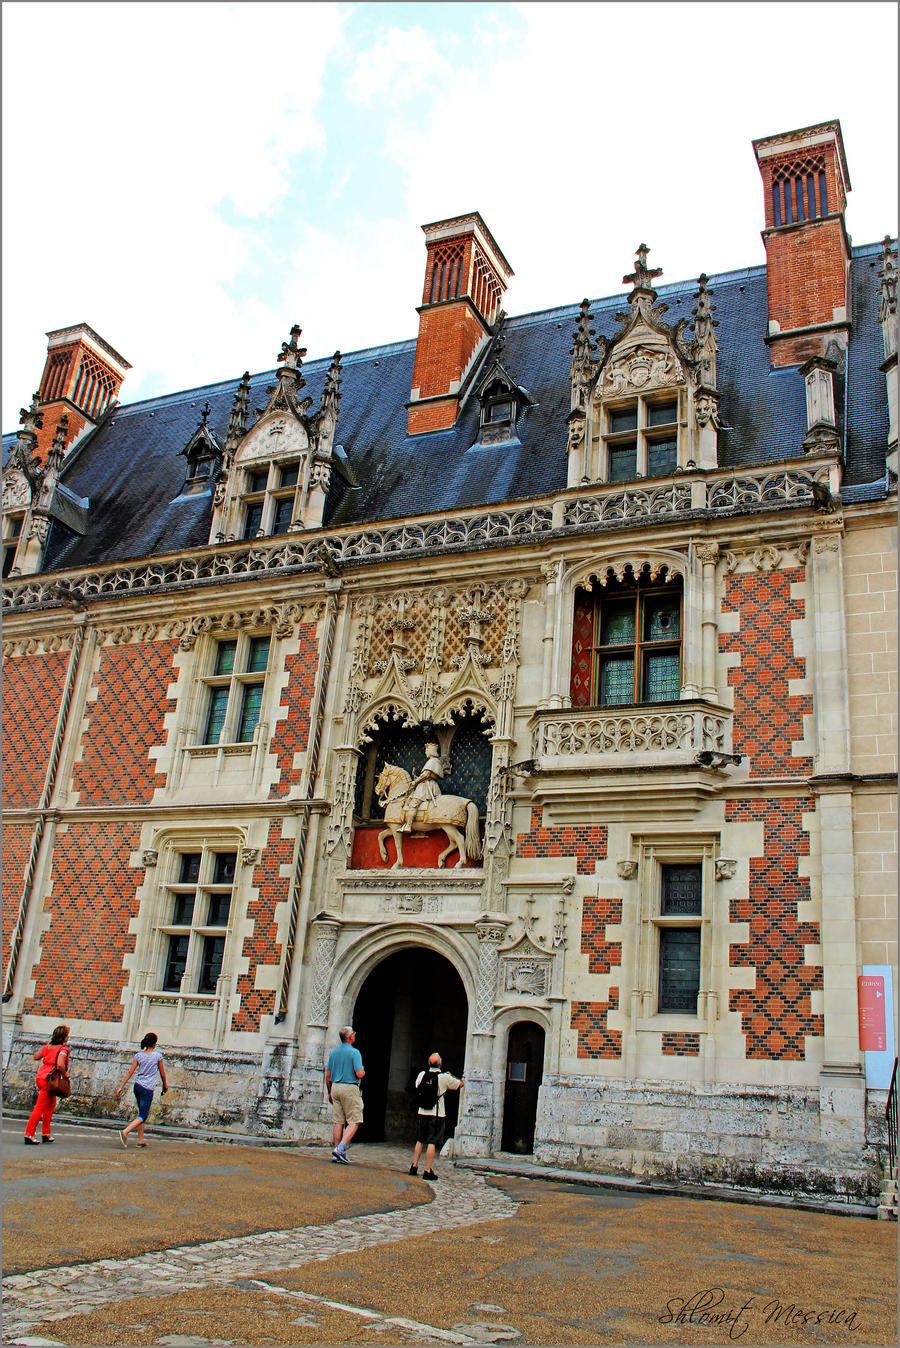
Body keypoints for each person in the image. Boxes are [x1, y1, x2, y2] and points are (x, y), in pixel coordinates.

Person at [409, 1052, 463, 1181]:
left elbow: (417, 1086)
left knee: (419, 1140)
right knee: (432, 1142)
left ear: (429, 1064)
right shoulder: (444, 1077)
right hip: (437, 1113)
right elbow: (460, 1084)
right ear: (440, 1064)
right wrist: (451, 1075)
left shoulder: (422, 1075)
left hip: (422, 1112)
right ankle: (427, 1170)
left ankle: (414, 1166)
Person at [116, 1032, 168, 1147]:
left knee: (141, 1113)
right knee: (143, 1115)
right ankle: (125, 1132)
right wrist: (165, 1085)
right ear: (154, 1044)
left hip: (138, 1085)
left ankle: (140, 1140)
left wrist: (121, 1087)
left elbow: (130, 1072)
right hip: (147, 1088)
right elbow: (162, 1074)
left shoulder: (139, 1055)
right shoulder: (157, 1056)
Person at [24, 1024, 70, 1144]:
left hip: (41, 1076)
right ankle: (29, 1134)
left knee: (50, 1105)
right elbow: (60, 1064)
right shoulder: (63, 1049)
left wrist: (47, 1055)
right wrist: (65, 1074)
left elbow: (36, 1057)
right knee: (40, 1107)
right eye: (67, 1035)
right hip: (50, 1079)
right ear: (64, 1037)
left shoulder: (47, 1047)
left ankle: (46, 1133)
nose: (68, 1038)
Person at [325, 1025, 365, 1164]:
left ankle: (336, 1151)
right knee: (355, 1120)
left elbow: (328, 1075)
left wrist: (329, 1091)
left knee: (338, 1121)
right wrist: (363, 1071)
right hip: (349, 1087)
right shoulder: (355, 1053)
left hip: (335, 1087)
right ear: (351, 1037)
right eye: (353, 1033)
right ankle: (340, 1148)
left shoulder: (334, 1053)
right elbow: (359, 1073)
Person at [401, 742, 444, 832]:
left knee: (414, 804)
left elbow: (426, 775)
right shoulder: (436, 762)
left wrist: (415, 782)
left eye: (426, 750)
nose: (425, 752)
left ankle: (408, 825)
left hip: (426, 786)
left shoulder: (432, 761)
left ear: (431, 751)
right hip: (433, 785)